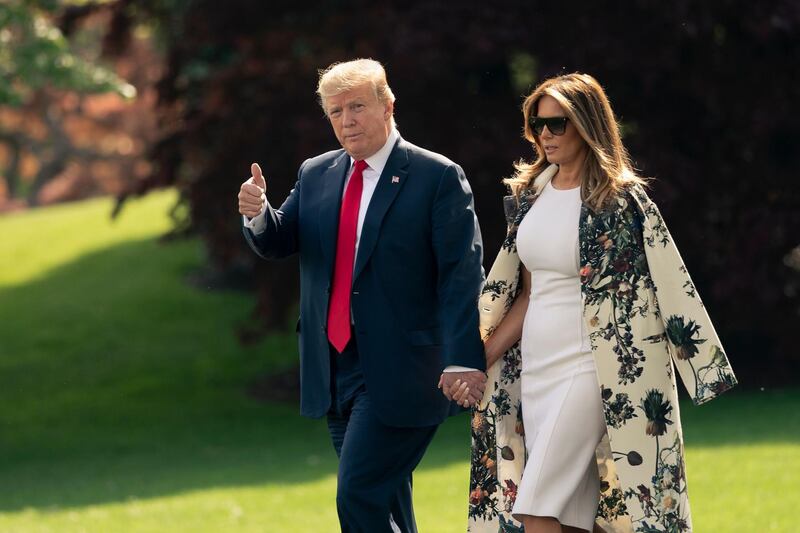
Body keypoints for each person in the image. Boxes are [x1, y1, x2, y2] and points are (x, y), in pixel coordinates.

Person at [450, 73, 737, 533]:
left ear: (587, 125)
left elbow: (667, 280)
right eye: (537, 123)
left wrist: (700, 364)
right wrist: (474, 360)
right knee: (574, 515)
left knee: (535, 506)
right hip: (537, 370)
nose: (545, 134)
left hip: (595, 365)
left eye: (558, 123)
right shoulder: (532, 196)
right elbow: (526, 294)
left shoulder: (621, 201)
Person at [237, 58, 487, 533]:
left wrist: (463, 358)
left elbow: (460, 274)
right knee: (385, 502)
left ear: (387, 105)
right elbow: (279, 239)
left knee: (358, 492)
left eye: (357, 106)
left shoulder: (437, 176)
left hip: (403, 369)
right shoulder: (317, 173)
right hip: (333, 367)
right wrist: (257, 213)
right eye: (335, 111)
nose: (347, 120)